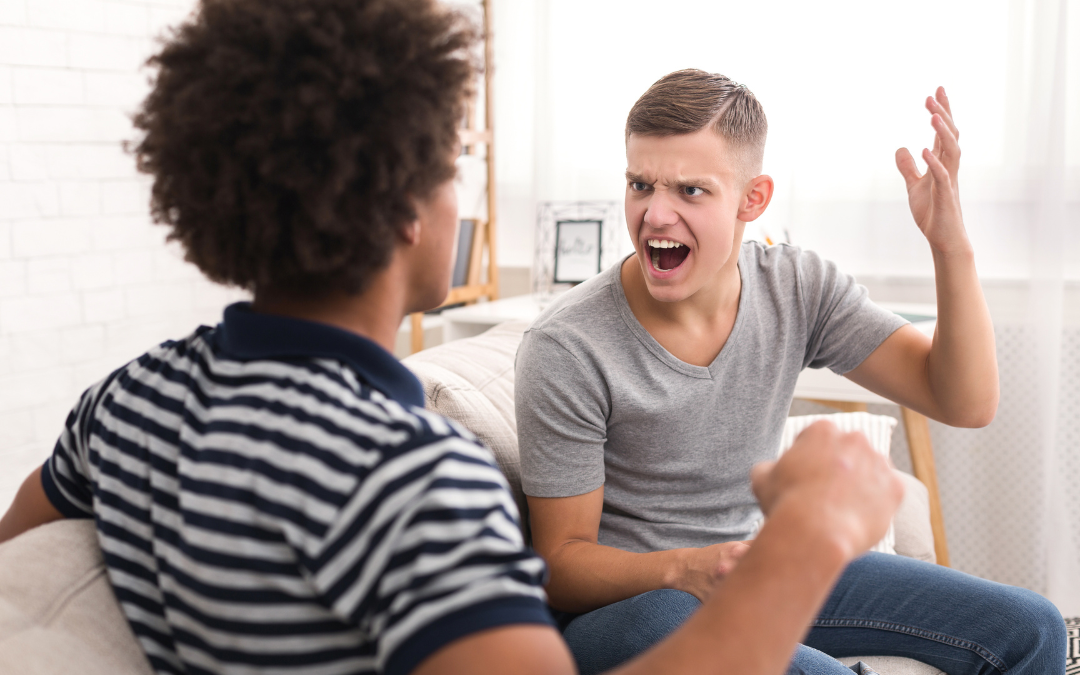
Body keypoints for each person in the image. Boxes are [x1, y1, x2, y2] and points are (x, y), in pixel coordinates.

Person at [0, 2, 906, 674]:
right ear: (405, 211)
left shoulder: (126, 402)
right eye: (448, 169)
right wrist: (811, 538)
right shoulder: (412, 474)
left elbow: (16, 544)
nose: (459, 201)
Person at [516, 69, 1068, 675]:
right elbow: (561, 564)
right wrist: (684, 568)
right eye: (640, 185)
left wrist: (950, 244)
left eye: (690, 191)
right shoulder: (567, 345)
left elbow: (964, 401)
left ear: (752, 199)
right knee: (698, 627)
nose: (654, 215)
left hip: (754, 567)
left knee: (1029, 628)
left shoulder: (796, 288)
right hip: (633, 612)